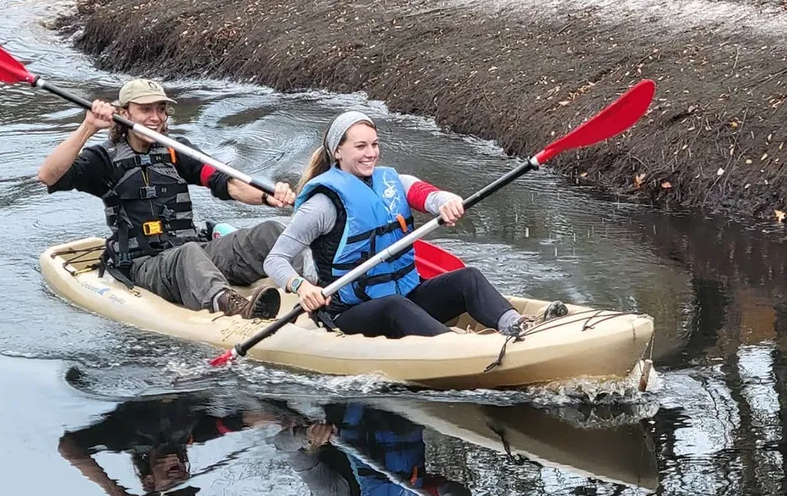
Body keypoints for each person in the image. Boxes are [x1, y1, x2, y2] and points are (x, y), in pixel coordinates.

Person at [263, 111, 566, 338]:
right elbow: (274, 260)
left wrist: (447, 202)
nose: (371, 153)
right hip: (349, 312)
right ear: (337, 152)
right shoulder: (322, 205)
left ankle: (515, 327)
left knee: (468, 278)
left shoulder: (393, 183)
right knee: (394, 305)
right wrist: (301, 286)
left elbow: (428, 195)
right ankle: (457, 349)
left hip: (407, 295)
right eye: (360, 146)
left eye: (374, 144)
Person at [37, 78, 295, 319]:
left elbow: (229, 185)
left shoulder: (175, 151)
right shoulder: (104, 160)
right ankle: (232, 306)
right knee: (187, 253)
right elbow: (48, 175)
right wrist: (88, 127)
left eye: (160, 110)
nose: (155, 117)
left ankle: (312, 285)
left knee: (271, 232)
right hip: (144, 266)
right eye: (145, 110)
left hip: (194, 254)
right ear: (124, 113)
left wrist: (267, 197)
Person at [57, 392, 281, 496]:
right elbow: (245, 420)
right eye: (183, 483)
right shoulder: (195, 435)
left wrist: (116, 492)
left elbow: (68, 448)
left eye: (171, 487)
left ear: (149, 481)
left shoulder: (124, 438)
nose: (179, 479)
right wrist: (285, 420)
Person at [272, 401, 481, 496]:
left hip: (353, 400)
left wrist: (308, 435)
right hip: (405, 408)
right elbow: (450, 490)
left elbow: (282, 445)